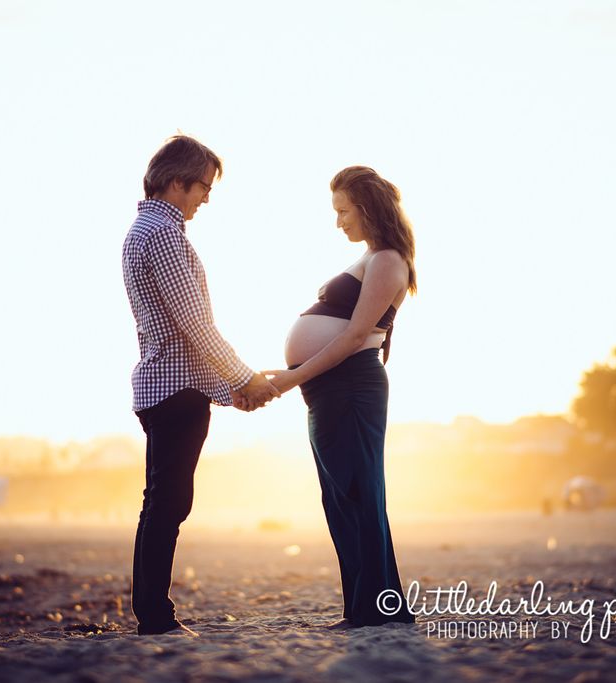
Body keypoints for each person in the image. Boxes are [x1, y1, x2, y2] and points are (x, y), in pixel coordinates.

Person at [122, 135, 279, 636]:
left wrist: (226, 385)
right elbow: (194, 323)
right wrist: (244, 378)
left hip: (165, 385)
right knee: (168, 503)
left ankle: (151, 612)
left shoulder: (141, 230)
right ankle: (154, 617)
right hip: (173, 390)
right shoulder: (163, 236)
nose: (206, 198)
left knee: (163, 501)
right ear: (176, 182)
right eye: (202, 187)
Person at [265, 166, 417, 628]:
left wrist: (292, 378)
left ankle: (376, 611)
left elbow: (354, 337)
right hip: (331, 386)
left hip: (349, 385)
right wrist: (298, 374)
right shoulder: (375, 258)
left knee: (359, 494)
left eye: (343, 211)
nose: (339, 222)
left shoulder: (388, 259)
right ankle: (363, 609)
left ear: (367, 207)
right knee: (341, 498)